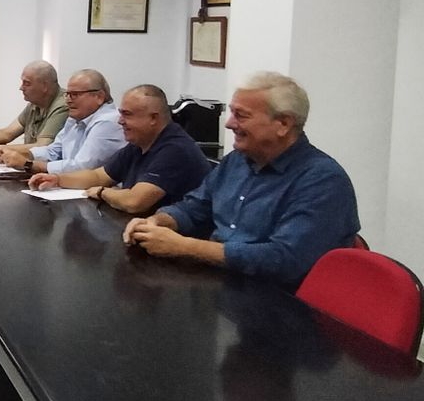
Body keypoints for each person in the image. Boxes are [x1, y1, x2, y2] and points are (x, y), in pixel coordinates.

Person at [123, 72, 360, 288]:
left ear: (283, 124)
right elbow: (195, 207)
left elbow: (283, 259)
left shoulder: (322, 181)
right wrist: (158, 222)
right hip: (221, 286)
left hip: (276, 302)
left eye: (241, 115)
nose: (229, 123)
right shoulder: (236, 161)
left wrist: (185, 247)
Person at [28, 85, 211, 215]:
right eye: (121, 113)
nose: (120, 121)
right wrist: (57, 179)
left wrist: (102, 192)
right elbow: (98, 176)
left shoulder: (175, 150)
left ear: (153, 118)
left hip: (175, 241)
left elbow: (135, 201)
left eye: (127, 115)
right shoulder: (139, 143)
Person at [0, 69, 121, 175]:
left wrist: (29, 164)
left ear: (99, 97)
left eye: (75, 94)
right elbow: (54, 151)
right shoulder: (75, 119)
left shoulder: (108, 122)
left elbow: (82, 167)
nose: (68, 100)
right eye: (67, 94)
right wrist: (22, 154)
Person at [0, 60, 69, 156]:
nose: (21, 88)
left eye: (27, 83)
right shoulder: (35, 104)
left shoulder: (63, 106)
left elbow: (42, 147)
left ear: (45, 86)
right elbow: (8, 133)